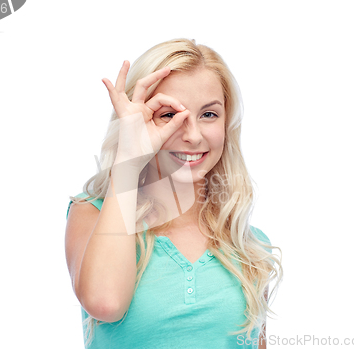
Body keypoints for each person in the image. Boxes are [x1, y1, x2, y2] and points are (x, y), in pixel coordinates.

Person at [65, 38, 283, 349]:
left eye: (209, 115)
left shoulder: (247, 243)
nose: (192, 136)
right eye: (168, 115)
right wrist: (129, 158)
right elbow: (105, 303)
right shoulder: (91, 214)